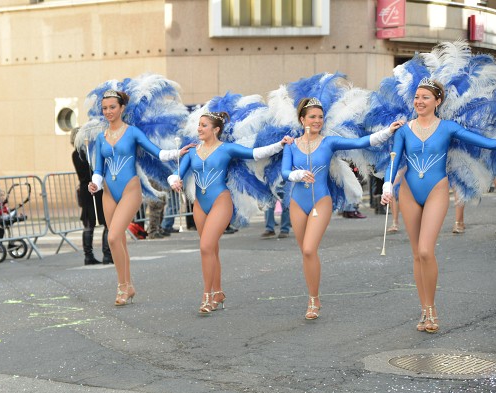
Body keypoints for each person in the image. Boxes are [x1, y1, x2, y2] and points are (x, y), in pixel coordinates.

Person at [381, 78, 496, 333]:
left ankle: (432, 308)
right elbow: (394, 160)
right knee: (416, 253)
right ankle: (424, 310)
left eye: (425, 97)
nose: (419, 101)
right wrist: (387, 185)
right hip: (408, 191)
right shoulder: (403, 130)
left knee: (425, 250)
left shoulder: (448, 128)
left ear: (438, 101)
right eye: (416, 97)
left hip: (437, 190)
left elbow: (487, 143)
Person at [283, 97, 402, 320]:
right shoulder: (290, 145)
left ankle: (313, 301)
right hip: (297, 202)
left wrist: (388, 131)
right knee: (306, 253)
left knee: (309, 249)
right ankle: (313, 296)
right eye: (312, 117)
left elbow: (361, 142)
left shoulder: (329, 142)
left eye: (320, 117)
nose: (317, 120)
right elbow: (284, 172)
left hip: (321, 201)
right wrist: (297, 174)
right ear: (302, 119)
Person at [169, 111, 291, 313]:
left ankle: (207, 296)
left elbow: (256, 153)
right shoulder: (192, 152)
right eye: (199, 124)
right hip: (200, 205)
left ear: (216, 129)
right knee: (211, 249)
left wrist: (280, 144)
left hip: (220, 201)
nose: (199, 128)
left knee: (205, 246)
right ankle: (218, 293)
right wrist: (175, 181)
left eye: (204, 125)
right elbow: (176, 173)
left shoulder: (226, 149)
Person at [88, 89, 185, 306]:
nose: (108, 111)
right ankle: (127, 285)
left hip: (130, 190)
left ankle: (123, 287)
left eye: (112, 107)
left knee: (113, 237)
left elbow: (157, 152)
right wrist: (95, 183)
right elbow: (98, 169)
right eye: (104, 108)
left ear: (122, 108)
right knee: (118, 240)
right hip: (108, 193)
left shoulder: (132, 132)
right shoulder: (101, 138)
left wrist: (177, 153)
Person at [70, 127, 111, 265]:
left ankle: (90, 255)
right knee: (105, 220)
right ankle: (106, 254)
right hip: (94, 188)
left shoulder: (76, 154)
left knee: (89, 222)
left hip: (85, 189)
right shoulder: (86, 153)